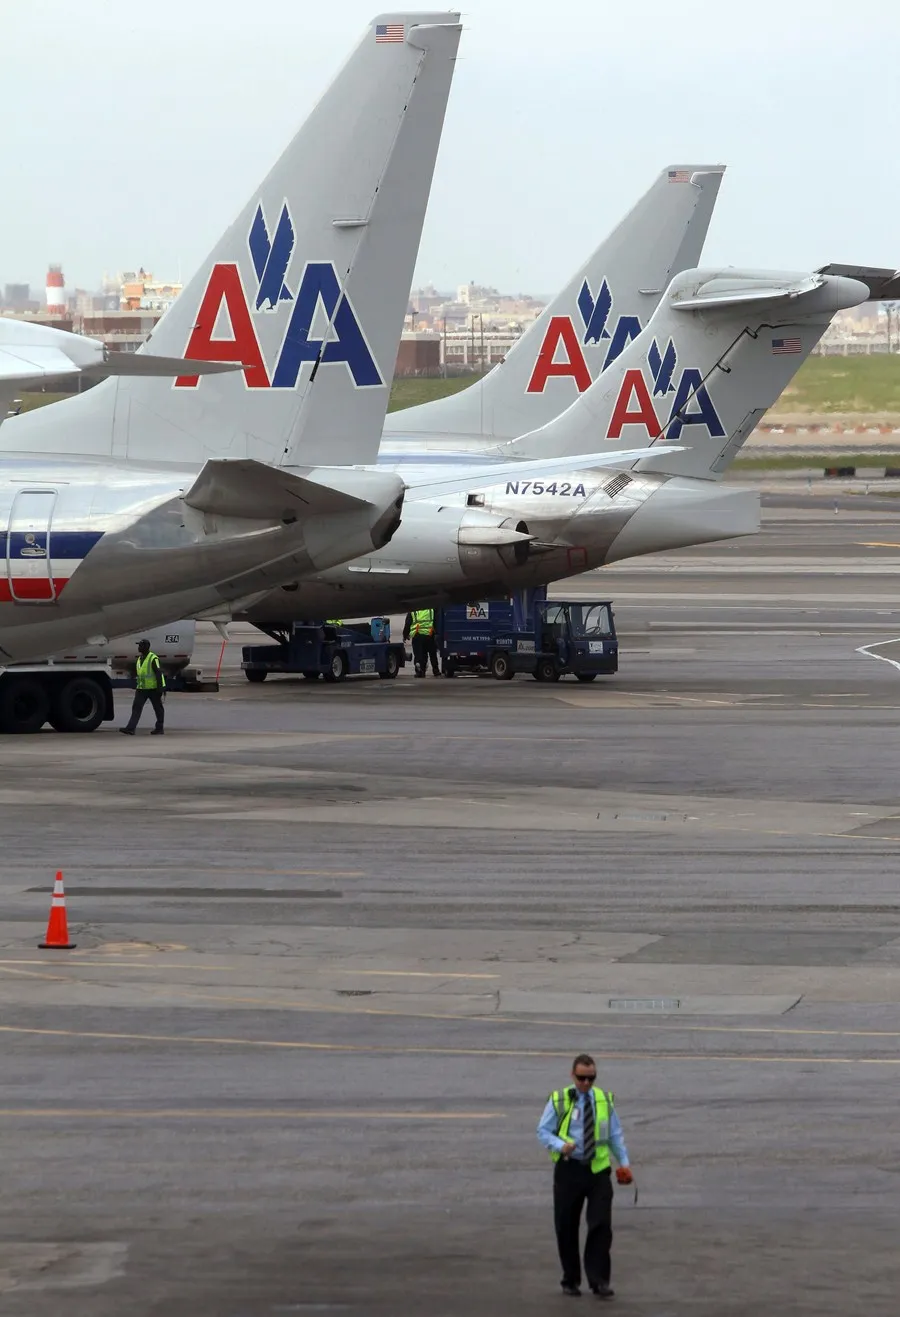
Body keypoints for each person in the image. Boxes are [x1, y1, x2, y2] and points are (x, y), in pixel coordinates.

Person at [536, 1053, 633, 1299]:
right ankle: (570, 1279)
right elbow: (543, 1131)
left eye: (591, 1078)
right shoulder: (559, 1099)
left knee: (601, 1225)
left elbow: (615, 1134)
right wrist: (560, 1145)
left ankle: (599, 1280)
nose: (586, 1084)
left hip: (598, 1170)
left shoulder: (602, 1099)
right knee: (566, 1226)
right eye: (581, 1079)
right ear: (572, 1075)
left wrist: (624, 1163)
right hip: (569, 1169)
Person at [120, 639, 166, 735]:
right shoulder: (140, 659)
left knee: (158, 708)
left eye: (140, 646)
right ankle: (130, 728)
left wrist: (160, 688)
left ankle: (159, 728)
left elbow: (158, 673)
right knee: (136, 708)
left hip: (153, 689)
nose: (138, 647)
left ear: (145, 647)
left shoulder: (153, 658)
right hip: (142, 689)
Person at [402, 608, 439, 677]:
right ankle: (436, 671)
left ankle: (420, 672)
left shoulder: (413, 611)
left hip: (418, 635)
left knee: (419, 655)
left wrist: (405, 635)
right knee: (432, 653)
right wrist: (436, 633)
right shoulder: (431, 610)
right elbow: (436, 621)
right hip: (429, 634)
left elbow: (408, 623)